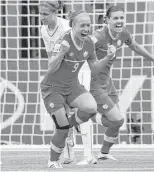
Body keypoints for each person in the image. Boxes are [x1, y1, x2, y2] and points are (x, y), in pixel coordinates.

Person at [40, 7, 116, 168]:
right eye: (82, 25)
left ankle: (70, 126)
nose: (86, 29)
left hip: (72, 86)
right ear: (72, 26)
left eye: (88, 25)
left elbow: (95, 67)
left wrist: (108, 58)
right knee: (61, 127)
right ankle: (53, 161)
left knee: (90, 107)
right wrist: (62, 53)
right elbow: (51, 68)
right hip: (52, 88)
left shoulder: (89, 43)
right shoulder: (63, 41)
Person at [89, 5, 154, 160]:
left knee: (116, 123)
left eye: (122, 18)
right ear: (106, 20)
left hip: (107, 81)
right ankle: (83, 116)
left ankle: (104, 153)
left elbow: (135, 46)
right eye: (115, 18)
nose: (119, 21)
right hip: (94, 83)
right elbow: (81, 53)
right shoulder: (97, 37)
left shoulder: (123, 33)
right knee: (117, 119)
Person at [39, 0, 96, 166]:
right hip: (58, 73)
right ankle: (68, 155)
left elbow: (83, 47)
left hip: (78, 70)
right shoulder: (43, 29)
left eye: (45, 14)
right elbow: (52, 57)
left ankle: (88, 154)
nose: (41, 17)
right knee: (63, 121)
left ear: (55, 12)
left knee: (88, 107)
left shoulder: (67, 28)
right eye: (40, 13)